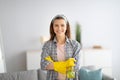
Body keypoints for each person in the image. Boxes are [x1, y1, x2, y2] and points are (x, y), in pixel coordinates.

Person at [41, 14, 81, 80]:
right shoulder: (47, 45)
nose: (59, 28)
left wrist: (53, 65)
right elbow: (43, 65)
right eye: (56, 25)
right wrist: (66, 64)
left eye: (62, 25)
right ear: (52, 27)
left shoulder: (75, 45)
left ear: (66, 27)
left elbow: (76, 67)